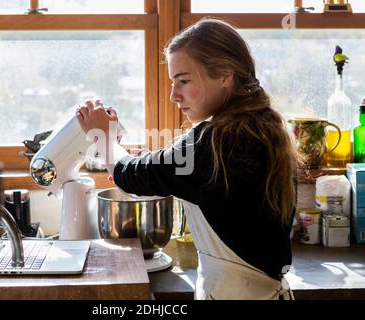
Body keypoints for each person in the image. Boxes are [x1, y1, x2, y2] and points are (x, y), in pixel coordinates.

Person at [76, 18, 300, 300]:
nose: (173, 95)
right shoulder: (263, 129)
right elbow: (175, 170)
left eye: (183, 81)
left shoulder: (216, 142)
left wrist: (103, 137)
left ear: (224, 76)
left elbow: (133, 176)